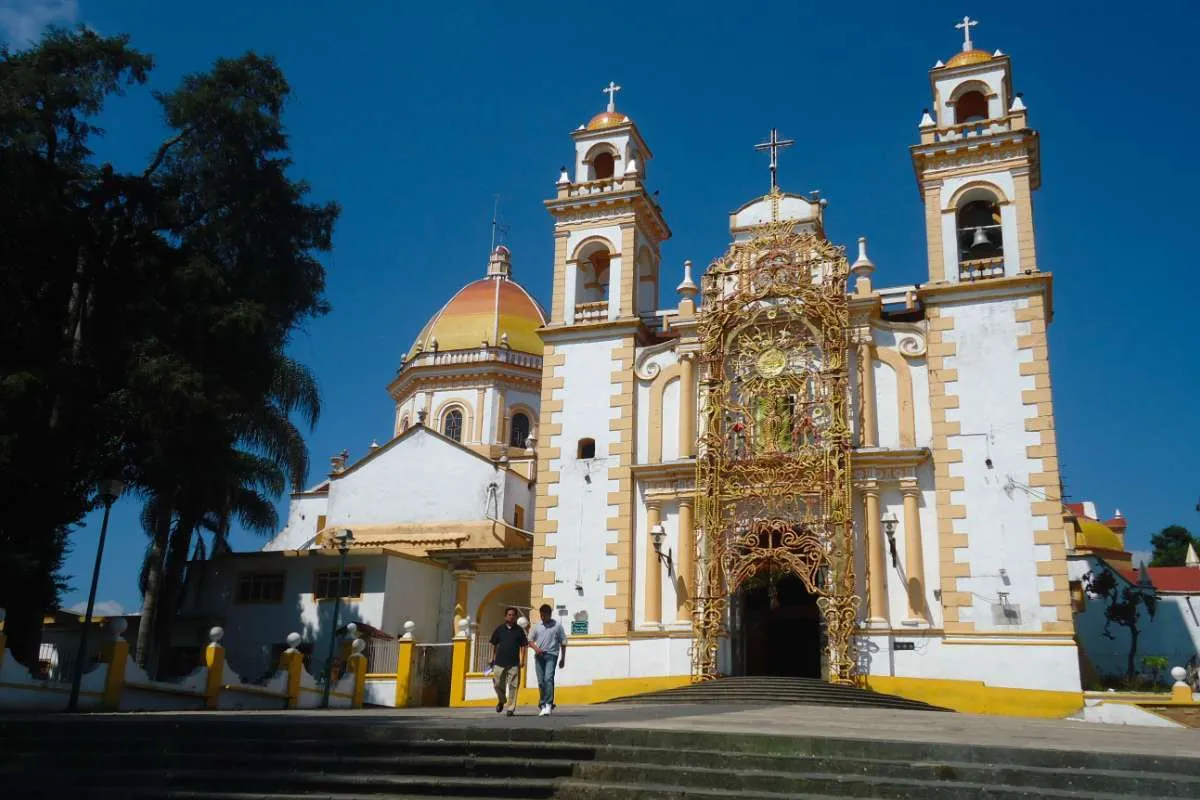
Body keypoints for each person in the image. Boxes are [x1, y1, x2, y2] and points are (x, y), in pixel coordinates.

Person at [528, 603, 567, 716]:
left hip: (552, 655)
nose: (543, 617)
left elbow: (563, 642)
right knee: (541, 681)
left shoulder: (557, 626)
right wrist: (536, 649)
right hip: (539, 656)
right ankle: (543, 704)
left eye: (545, 615)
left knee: (548, 678)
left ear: (549, 614)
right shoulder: (537, 626)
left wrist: (563, 659)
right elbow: (530, 640)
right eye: (541, 615)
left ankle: (549, 704)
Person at [488, 606, 527, 716]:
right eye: (509, 615)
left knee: (513, 686)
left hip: (514, 662)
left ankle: (510, 708)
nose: (511, 617)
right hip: (499, 662)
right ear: (505, 616)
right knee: (497, 684)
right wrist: (492, 657)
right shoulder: (499, 629)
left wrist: (522, 659)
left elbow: (524, 645)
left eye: (513, 615)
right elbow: (493, 643)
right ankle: (502, 700)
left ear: (516, 617)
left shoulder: (519, 630)